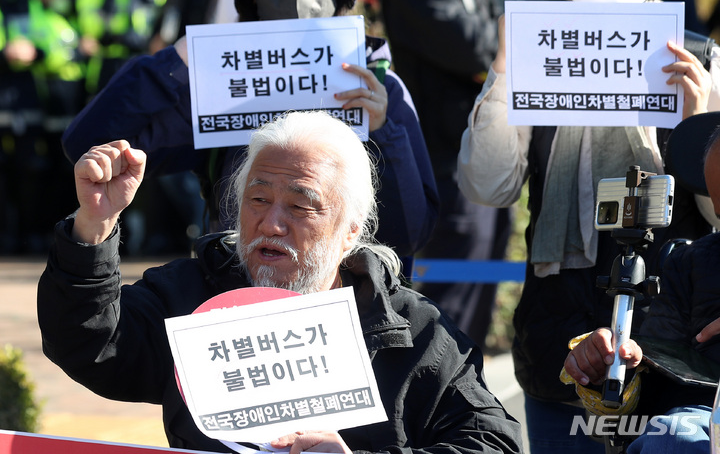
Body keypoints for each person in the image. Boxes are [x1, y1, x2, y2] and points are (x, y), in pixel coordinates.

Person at [38, 111, 523, 454]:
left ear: (352, 230)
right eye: (258, 199)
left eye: (300, 205)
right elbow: (88, 342)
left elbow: (493, 442)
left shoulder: (411, 330)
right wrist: (94, 227)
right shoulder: (191, 295)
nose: (271, 223)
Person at [456, 0, 720, 452]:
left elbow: (718, 218)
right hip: (556, 343)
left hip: (675, 352)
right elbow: (488, 187)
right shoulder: (532, 53)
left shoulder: (702, 61)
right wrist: (504, 70)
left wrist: (699, 128)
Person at [61, 0, 439, 276]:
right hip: (236, 296)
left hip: (353, 304)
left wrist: (384, 130)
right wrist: (172, 65)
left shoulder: (379, 88)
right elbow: (87, 145)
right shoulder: (220, 91)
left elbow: (409, 233)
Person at [366, 0, 512, 347]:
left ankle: (471, 386)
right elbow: (477, 47)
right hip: (447, 158)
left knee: (485, 281)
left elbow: (497, 38)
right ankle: (439, 383)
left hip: (491, 147)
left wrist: (496, 48)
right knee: (456, 290)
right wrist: (497, 50)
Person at [563, 122, 720, 454]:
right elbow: (661, 391)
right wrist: (618, 368)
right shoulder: (691, 265)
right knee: (674, 434)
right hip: (700, 420)